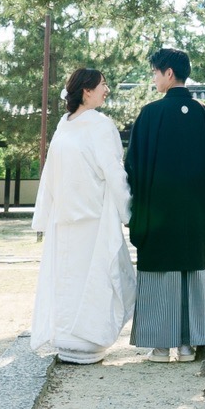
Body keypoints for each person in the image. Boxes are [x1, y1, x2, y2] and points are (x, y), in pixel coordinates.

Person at [124, 46, 205, 361]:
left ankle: (160, 345)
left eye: (155, 72)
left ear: (169, 73)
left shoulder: (150, 114)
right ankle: (188, 343)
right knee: (191, 271)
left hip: (158, 214)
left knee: (160, 270)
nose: (154, 78)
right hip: (197, 213)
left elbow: (134, 167)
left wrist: (140, 207)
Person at [28, 67, 134, 364]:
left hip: (93, 220)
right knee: (68, 280)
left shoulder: (100, 124)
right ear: (86, 91)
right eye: (103, 84)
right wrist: (44, 215)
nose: (107, 89)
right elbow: (51, 173)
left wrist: (125, 209)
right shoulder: (67, 124)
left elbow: (113, 171)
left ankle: (88, 341)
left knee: (95, 278)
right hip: (66, 220)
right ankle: (68, 340)